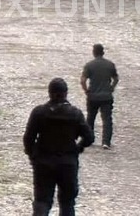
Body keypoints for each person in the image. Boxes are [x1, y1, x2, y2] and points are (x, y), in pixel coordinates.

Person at [24, 78, 95, 216]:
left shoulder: (39, 112)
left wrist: (32, 155)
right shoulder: (75, 114)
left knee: (42, 200)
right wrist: (78, 147)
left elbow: (28, 138)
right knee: (67, 202)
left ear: (49, 93)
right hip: (67, 162)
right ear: (66, 93)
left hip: (44, 161)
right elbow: (89, 137)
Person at [80, 44, 119, 149]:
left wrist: (86, 90)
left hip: (93, 95)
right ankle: (106, 142)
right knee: (107, 119)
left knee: (90, 118)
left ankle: (89, 139)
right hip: (106, 96)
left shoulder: (89, 65)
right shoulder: (110, 64)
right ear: (103, 52)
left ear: (94, 52)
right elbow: (116, 78)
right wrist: (111, 87)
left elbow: (83, 80)